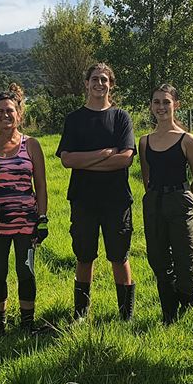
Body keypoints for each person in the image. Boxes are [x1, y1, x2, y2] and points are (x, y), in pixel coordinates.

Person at [56, 63, 137, 321]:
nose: (99, 84)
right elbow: (67, 160)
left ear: (110, 84)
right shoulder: (75, 119)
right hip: (83, 200)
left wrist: (86, 162)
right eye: (94, 79)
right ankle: (81, 313)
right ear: (86, 83)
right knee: (84, 256)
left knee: (119, 256)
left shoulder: (121, 117)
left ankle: (125, 314)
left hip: (117, 200)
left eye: (104, 80)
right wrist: (103, 154)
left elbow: (125, 159)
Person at [0, 83, 49, 334]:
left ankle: (28, 323)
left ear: (19, 115)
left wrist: (42, 219)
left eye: (10, 111)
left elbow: (40, 185)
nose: (5, 115)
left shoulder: (32, 145)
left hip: (26, 222)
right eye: (0, 112)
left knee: (26, 271)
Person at [138, 84, 193, 324]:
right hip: (154, 201)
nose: (161, 107)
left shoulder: (187, 140)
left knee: (185, 259)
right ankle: (168, 313)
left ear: (176, 105)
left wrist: (185, 201)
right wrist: (157, 197)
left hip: (180, 201)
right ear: (151, 106)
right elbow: (146, 176)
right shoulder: (145, 141)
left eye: (166, 102)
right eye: (156, 102)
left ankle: (188, 307)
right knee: (158, 258)